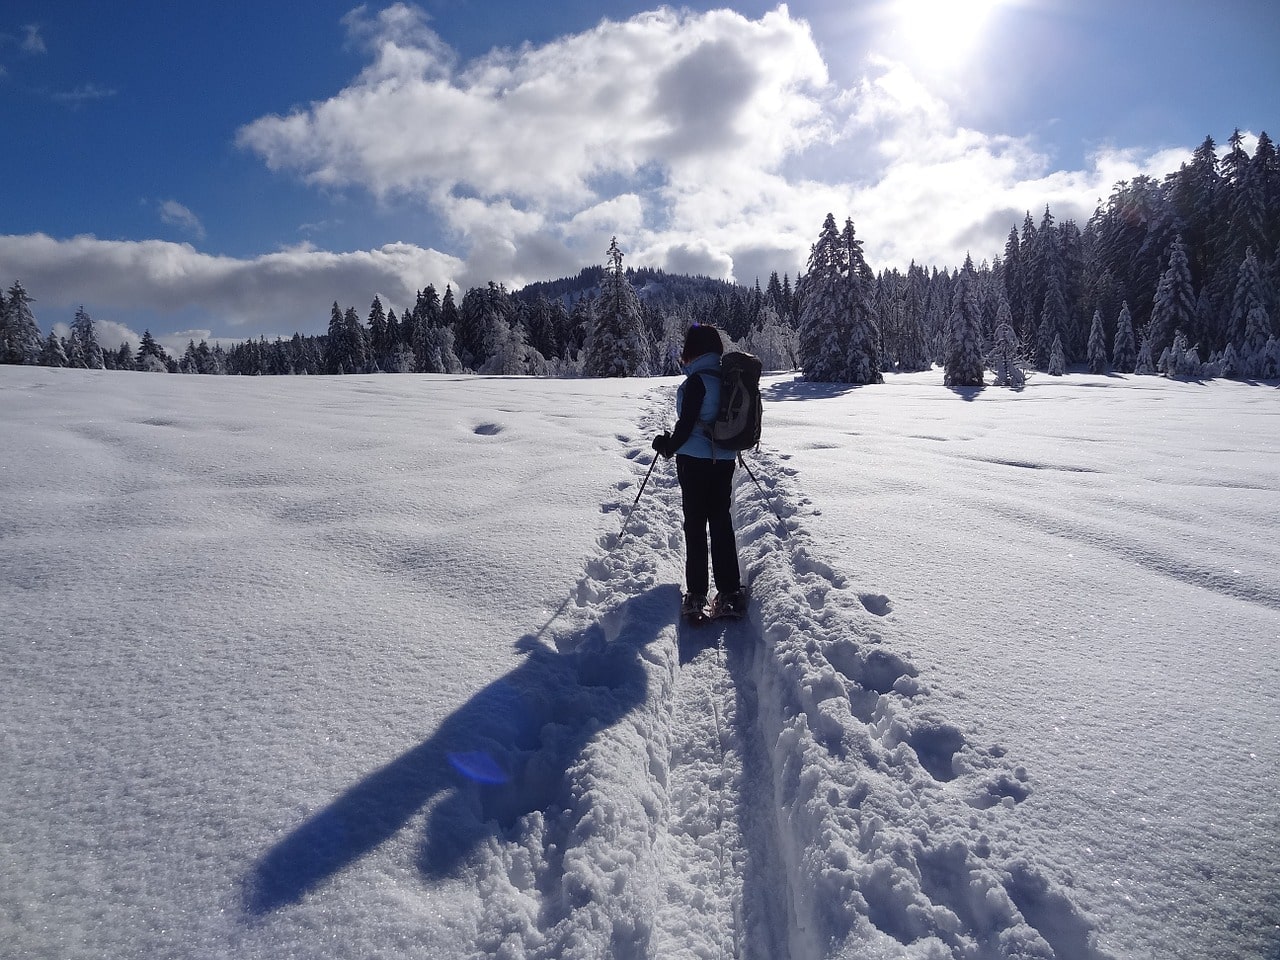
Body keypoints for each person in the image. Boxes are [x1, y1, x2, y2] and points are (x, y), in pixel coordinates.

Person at [652, 325, 746, 621]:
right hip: (725, 460)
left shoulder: (696, 382)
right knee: (720, 520)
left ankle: (697, 595)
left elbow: (685, 427)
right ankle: (730, 592)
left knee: (695, 524)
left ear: (694, 351)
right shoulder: (728, 379)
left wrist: (665, 446)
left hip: (693, 462)